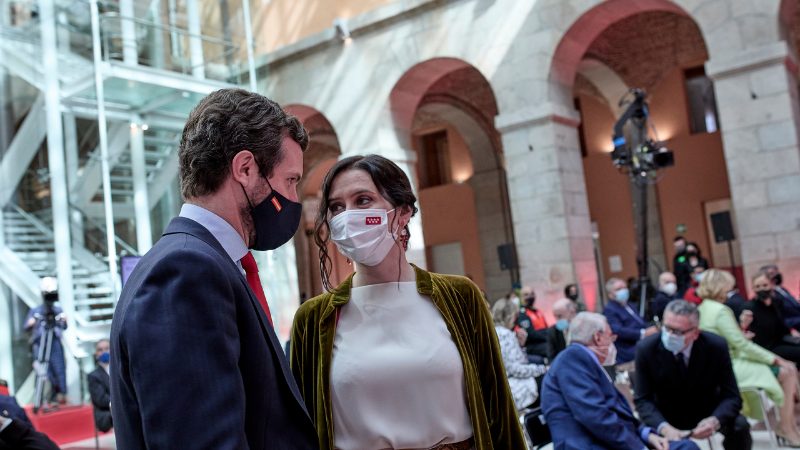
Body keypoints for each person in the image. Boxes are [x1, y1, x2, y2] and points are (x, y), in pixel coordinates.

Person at [109, 89, 318, 449]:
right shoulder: (186, 271)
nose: (293, 200)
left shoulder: (207, 263)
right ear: (246, 168)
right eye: (291, 181)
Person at [291, 154, 525, 450]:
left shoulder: (460, 296)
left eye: (363, 200)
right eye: (336, 207)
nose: (347, 215)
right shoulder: (313, 319)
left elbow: (498, 407)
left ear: (402, 213)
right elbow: (301, 429)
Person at [541, 312, 698, 450]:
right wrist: (638, 446)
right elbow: (596, 417)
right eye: (611, 337)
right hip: (592, 444)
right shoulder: (572, 359)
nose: (612, 342)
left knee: (686, 446)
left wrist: (645, 435)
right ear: (597, 337)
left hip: (607, 441)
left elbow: (612, 412)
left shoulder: (583, 361)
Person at [697, 269, 800, 446]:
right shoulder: (720, 310)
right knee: (788, 370)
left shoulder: (704, 307)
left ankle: (789, 425)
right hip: (729, 366)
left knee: (787, 368)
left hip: (719, 363)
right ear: (720, 287)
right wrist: (775, 359)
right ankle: (786, 427)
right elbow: (741, 345)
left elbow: (724, 338)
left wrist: (742, 328)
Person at [635, 300, 751, 450]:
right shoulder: (646, 348)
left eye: (677, 331)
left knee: (740, 426)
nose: (669, 335)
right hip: (666, 413)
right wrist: (663, 427)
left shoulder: (715, 346)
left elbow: (732, 396)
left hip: (706, 409)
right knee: (645, 433)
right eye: (666, 327)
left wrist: (715, 420)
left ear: (695, 332)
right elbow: (642, 400)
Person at [492, 299, 547, 411]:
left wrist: (521, 346)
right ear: (510, 316)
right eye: (515, 315)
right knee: (548, 380)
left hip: (501, 384)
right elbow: (516, 370)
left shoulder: (495, 332)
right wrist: (543, 369)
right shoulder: (506, 334)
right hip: (511, 385)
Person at [742, 271, 800, 366]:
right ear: (753, 288)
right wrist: (744, 324)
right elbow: (744, 329)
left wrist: (791, 330)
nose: (762, 289)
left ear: (772, 285)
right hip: (765, 346)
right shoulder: (749, 307)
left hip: (779, 340)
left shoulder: (776, 302)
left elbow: (780, 321)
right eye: (758, 287)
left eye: (765, 285)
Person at [603, 278, 659, 365]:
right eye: (618, 289)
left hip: (642, 341)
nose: (623, 291)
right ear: (610, 294)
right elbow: (618, 330)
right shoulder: (610, 310)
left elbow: (641, 322)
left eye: (624, 288)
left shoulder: (630, 305)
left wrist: (651, 330)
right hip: (628, 348)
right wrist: (643, 333)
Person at [23, 304, 67, 404]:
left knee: (58, 369)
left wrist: (64, 321)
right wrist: (31, 323)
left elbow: (64, 326)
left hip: (54, 342)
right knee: (44, 371)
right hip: (40, 342)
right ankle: (44, 397)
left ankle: (58, 395)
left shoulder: (58, 309)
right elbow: (26, 326)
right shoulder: (36, 310)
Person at [516, 286, 549, 363]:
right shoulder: (522, 314)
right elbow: (531, 334)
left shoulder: (538, 312)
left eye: (532, 294)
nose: (530, 297)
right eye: (526, 295)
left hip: (543, 342)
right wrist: (547, 334)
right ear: (521, 297)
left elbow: (546, 328)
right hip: (532, 345)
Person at [762, 264, 800, 330]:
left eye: (776, 272)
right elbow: (780, 319)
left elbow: (793, 306)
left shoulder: (782, 289)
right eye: (771, 273)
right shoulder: (771, 295)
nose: (776, 275)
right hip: (792, 327)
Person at [88, 339, 112, 433]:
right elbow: (100, 399)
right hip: (106, 412)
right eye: (100, 350)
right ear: (96, 354)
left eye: (107, 348)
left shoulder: (121, 370)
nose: (104, 352)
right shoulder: (93, 376)